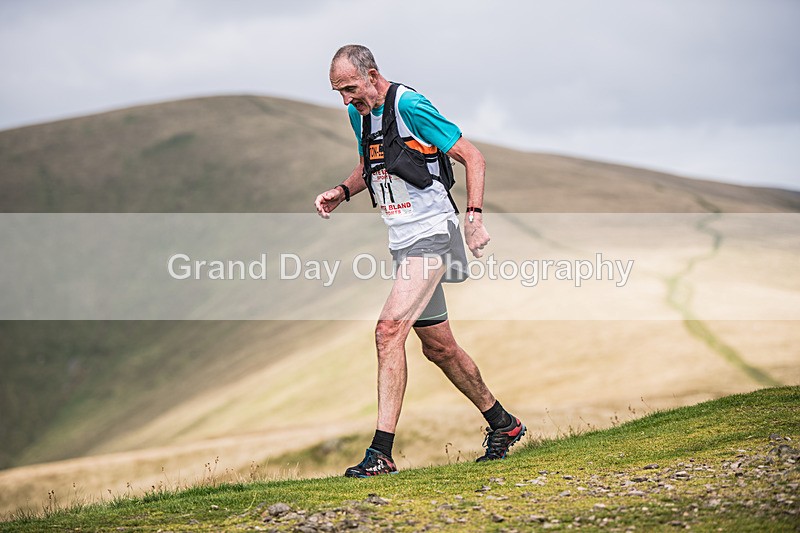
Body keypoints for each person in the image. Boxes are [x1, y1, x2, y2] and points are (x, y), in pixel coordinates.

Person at [315, 44, 525, 477]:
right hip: (402, 241)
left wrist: (474, 218)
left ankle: (381, 454)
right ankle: (503, 424)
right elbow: (370, 164)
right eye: (338, 92)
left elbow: (473, 156)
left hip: (433, 236)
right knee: (440, 348)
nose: (345, 99)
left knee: (388, 330)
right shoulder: (359, 113)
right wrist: (342, 191)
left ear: (372, 75)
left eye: (350, 88)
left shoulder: (410, 104)